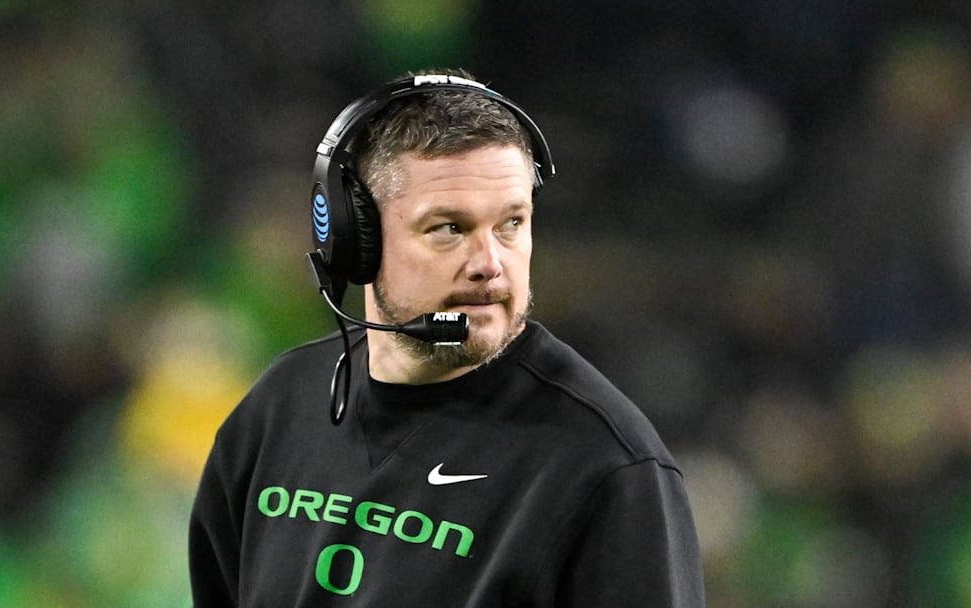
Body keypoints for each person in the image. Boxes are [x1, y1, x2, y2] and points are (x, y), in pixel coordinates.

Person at [188, 68, 706, 607]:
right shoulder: (278, 409)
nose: (489, 264)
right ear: (356, 239)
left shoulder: (607, 468)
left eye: (511, 224)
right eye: (449, 228)